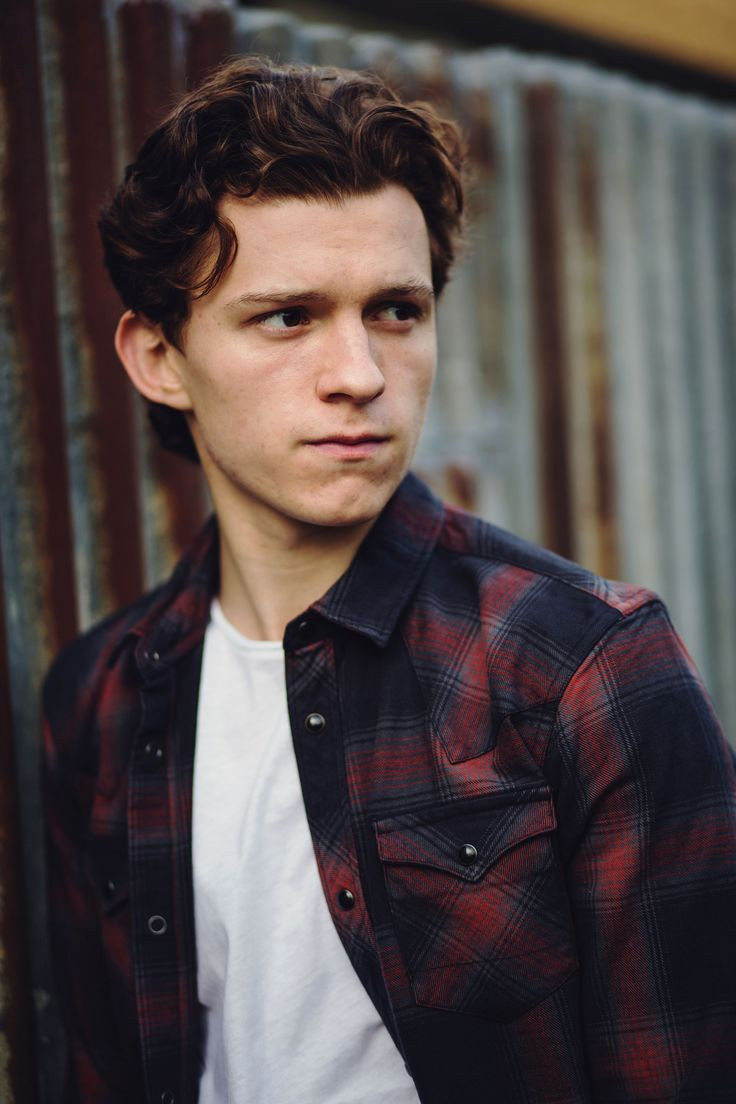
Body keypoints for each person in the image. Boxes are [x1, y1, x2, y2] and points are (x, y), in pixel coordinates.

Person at [43, 56, 736, 1104]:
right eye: (288, 317)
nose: (361, 375)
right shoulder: (100, 698)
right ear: (158, 358)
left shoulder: (584, 671)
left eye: (396, 311)